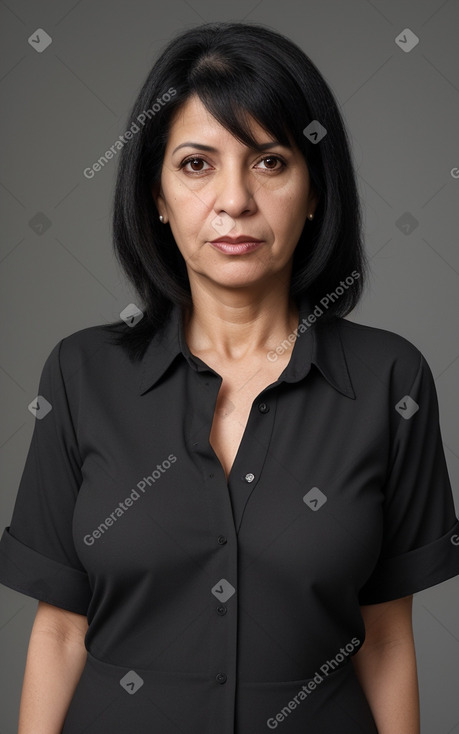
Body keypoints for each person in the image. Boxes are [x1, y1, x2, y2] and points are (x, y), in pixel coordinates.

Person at [0, 20, 458, 734]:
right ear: (155, 194)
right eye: (195, 164)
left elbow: (387, 636)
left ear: (314, 191)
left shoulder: (389, 378)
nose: (234, 201)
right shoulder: (79, 373)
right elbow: (59, 632)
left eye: (270, 162)